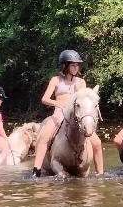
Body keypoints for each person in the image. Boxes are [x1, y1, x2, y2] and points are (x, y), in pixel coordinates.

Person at [31, 49, 104, 177]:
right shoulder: (56, 80)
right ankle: (36, 170)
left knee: (97, 142)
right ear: (66, 66)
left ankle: (101, 173)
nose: (76, 68)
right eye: (72, 65)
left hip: (76, 114)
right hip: (59, 113)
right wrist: (57, 103)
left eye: (77, 65)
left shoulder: (81, 82)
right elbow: (44, 99)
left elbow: (83, 100)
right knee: (43, 137)